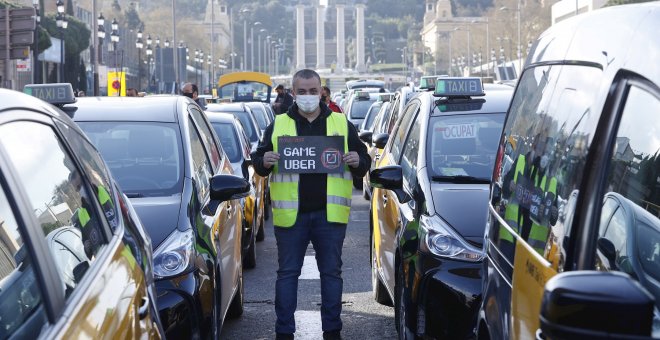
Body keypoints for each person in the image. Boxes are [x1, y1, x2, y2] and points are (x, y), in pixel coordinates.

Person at [253, 69, 370, 340]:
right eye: (302, 91)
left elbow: (363, 162)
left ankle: (332, 331)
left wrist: (357, 162)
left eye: (312, 91)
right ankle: (284, 333)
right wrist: (265, 161)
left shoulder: (341, 123)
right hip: (290, 218)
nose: (308, 96)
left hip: (329, 216)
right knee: (287, 275)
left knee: (331, 275)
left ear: (322, 92)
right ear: (293, 94)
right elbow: (258, 163)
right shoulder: (279, 124)